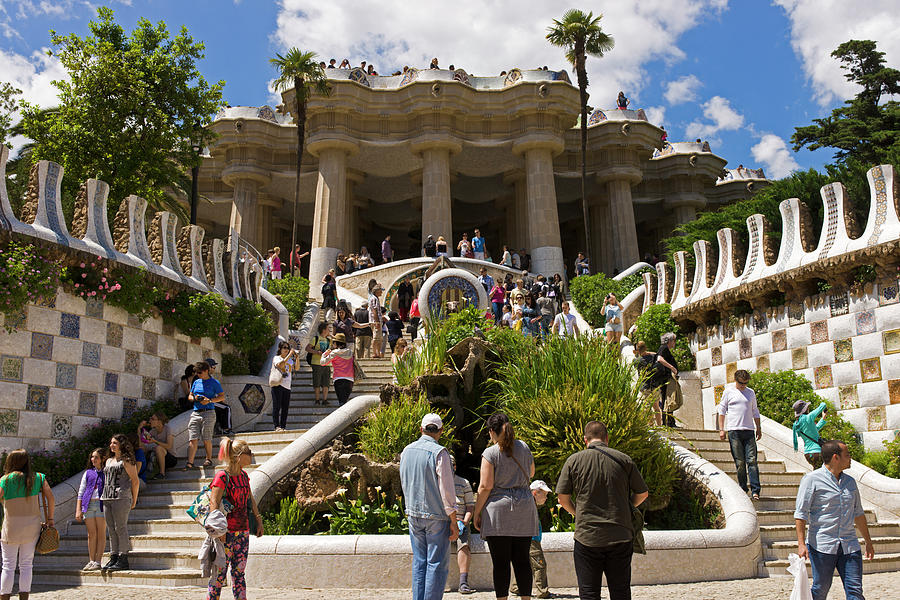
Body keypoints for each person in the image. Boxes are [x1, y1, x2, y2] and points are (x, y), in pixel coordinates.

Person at [557, 421, 649, 600]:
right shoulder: (624, 460)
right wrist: (627, 507)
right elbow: (643, 493)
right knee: (621, 592)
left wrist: (578, 514)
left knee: (589, 593)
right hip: (620, 535)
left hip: (587, 537)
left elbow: (562, 499)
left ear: (585, 440)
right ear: (607, 438)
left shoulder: (574, 461)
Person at [795, 440, 874, 600]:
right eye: (847, 455)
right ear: (835, 457)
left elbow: (858, 513)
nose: (850, 458)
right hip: (822, 546)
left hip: (849, 545)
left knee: (855, 591)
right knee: (820, 589)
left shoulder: (850, 482)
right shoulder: (811, 480)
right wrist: (801, 544)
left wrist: (868, 541)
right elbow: (801, 513)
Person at [472, 412, 539, 600]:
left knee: (501, 563)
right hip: (524, 508)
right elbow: (531, 471)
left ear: (492, 431)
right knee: (522, 560)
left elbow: (485, 486)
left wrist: (477, 513)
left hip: (499, 511)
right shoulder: (524, 447)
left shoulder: (491, 453)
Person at [400, 413, 459, 600]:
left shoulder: (406, 451)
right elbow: (447, 490)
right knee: (436, 564)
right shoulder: (440, 453)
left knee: (419, 562)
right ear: (441, 431)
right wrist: (453, 519)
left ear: (421, 429)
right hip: (436, 516)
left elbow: (404, 481)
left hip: (413, 514)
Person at [207, 438, 264, 600]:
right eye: (249, 453)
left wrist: (258, 520)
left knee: (239, 574)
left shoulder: (244, 476)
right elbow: (214, 503)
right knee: (219, 575)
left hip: (242, 532)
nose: (252, 455)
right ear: (238, 456)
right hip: (225, 533)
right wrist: (219, 532)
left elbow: (250, 499)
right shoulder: (222, 477)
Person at [1, 449, 54, 598]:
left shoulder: (5, 480)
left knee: (8, 566)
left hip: (10, 528)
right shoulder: (38, 477)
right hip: (32, 527)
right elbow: (51, 498)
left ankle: (4, 597)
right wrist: (50, 519)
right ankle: (24, 597)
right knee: (26, 565)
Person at [717, 369, 762, 500]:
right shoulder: (729, 391)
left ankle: (755, 490)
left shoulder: (750, 392)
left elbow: (755, 411)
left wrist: (758, 428)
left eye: (746, 383)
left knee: (752, 461)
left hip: (749, 430)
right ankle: (743, 488)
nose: (743, 385)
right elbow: (722, 409)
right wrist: (721, 429)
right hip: (734, 431)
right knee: (740, 462)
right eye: (741, 383)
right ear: (735, 380)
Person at [100, 434, 140, 571]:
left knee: (120, 527)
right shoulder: (108, 461)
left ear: (121, 445)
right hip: (107, 497)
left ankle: (123, 557)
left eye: (115, 443)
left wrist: (134, 499)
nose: (112, 445)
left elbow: (135, 480)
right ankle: (114, 555)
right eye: (111, 443)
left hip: (121, 496)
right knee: (111, 528)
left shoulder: (126, 460)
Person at [510, 480, 552, 599]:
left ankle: (516, 587)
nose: (546, 497)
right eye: (544, 494)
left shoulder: (527, 504)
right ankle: (542, 592)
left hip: (526, 538)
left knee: (525, 563)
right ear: (535, 493)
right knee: (540, 565)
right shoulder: (529, 505)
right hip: (532, 539)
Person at [186, 361, 223, 470]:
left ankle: (208, 459)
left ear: (207, 371)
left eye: (200, 372)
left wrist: (209, 400)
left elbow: (221, 397)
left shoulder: (214, 383)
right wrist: (195, 398)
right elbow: (190, 396)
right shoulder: (196, 382)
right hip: (196, 412)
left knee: (206, 437)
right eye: (196, 372)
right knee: (193, 438)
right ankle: (190, 462)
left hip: (209, 412)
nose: (198, 374)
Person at [76, 447, 107, 571]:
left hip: (101, 504)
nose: (93, 459)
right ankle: (91, 560)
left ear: (102, 459)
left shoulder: (106, 472)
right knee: (91, 534)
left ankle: (98, 561)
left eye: (96, 457)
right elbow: (81, 491)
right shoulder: (88, 472)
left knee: (101, 533)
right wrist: (78, 509)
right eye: (92, 457)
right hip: (88, 505)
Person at [450, 455, 477, 595]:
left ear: (454, 467)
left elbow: (470, 506)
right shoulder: (436, 483)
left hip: (461, 522)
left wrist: (464, 522)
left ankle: (463, 581)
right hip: (444, 523)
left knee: (464, 545)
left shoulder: (463, 483)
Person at [633, 341, 663, 426]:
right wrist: (648, 352)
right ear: (645, 348)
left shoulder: (637, 361)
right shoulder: (653, 357)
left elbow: (635, 363)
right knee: (656, 407)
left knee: (646, 408)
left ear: (637, 350)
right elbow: (658, 355)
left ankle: (651, 425)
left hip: (645, 387)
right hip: (655, 385)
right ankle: (659, 425)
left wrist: (637, 354)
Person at [321, 333, 355, 405]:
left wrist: (324, 354)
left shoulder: (334, 353)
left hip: (338, 379)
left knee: (341, 402)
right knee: (344, 401)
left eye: (333, 342)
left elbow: (323, 363)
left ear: (336, 343)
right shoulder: (350, 352)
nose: (333, 344)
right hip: (350, 379)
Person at [139, 412, 175, 480]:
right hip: (157, 457)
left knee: (158, 448)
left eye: (152, 419)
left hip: (170, 459)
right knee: (142, 448)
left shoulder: (168, 429)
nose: (150, 421)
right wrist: (139, 428)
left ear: (159, 421)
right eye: (150, 418)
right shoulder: (153, 431)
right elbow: (142, 444)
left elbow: (169, 446)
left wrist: (155, 441)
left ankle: (162, 473)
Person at [793, 400, 828, 469]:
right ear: (806, 409)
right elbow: (823, 405)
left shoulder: (797, 424)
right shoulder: (808, 417)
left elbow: (815, 429)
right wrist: (823, 404)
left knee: (817, 472)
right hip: (817, 452)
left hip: (807, 454)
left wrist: (823, 418)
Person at [271, 341, 297, 431]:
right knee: (277, 406)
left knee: (285, 408)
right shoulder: (276, 358)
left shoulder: (290, 360)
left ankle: (283, 426)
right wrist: (289, 354)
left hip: (287, 386)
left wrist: (296, 358)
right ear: (280, 349)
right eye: (284, 348)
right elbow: (281, 364)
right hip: (278, 384)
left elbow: (296, 368)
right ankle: (276, 426)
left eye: (288, 348)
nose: (286, 350)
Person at [655, 333, 680, 427]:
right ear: (669, 341)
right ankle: (668, 423)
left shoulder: (664, 349)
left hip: (666, 378)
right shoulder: (664, 348)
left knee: (668, 399)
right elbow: (659, 358)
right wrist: (672, 368)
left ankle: (669, 422)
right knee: (667, 399)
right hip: (665, 379)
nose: (675, 342)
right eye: (674, 340)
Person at [306, 322, 331, 406]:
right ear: (324, 330)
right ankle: (317, 399)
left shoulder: (329, 340)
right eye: (328, 329)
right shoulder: (316, 338)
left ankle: (325, 399)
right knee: (317, 381)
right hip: (316, 363)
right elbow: (307, 348)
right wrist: (316, 352)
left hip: (326, 364)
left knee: (326, 382)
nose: (329, 330)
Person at [206, 358, 233, 436]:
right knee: (226, 408)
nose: (214, 370)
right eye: (213, 368)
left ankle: (220, 428)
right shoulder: (203, 378)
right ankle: (227, 429)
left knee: (222, 406)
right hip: (207, 401)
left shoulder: (210, 378)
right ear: (208, 367)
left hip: (211, 400)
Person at [368, 283, 386, 359]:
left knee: (379, 338)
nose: (381, 292)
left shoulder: (375, 298)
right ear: (377, 291)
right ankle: (375, 353)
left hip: (376, 320)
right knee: (376, 338)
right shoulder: (374, 299)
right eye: (380, 291)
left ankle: (377, 353)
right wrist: (377, 321)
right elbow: (374, 310)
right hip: (375, 321)